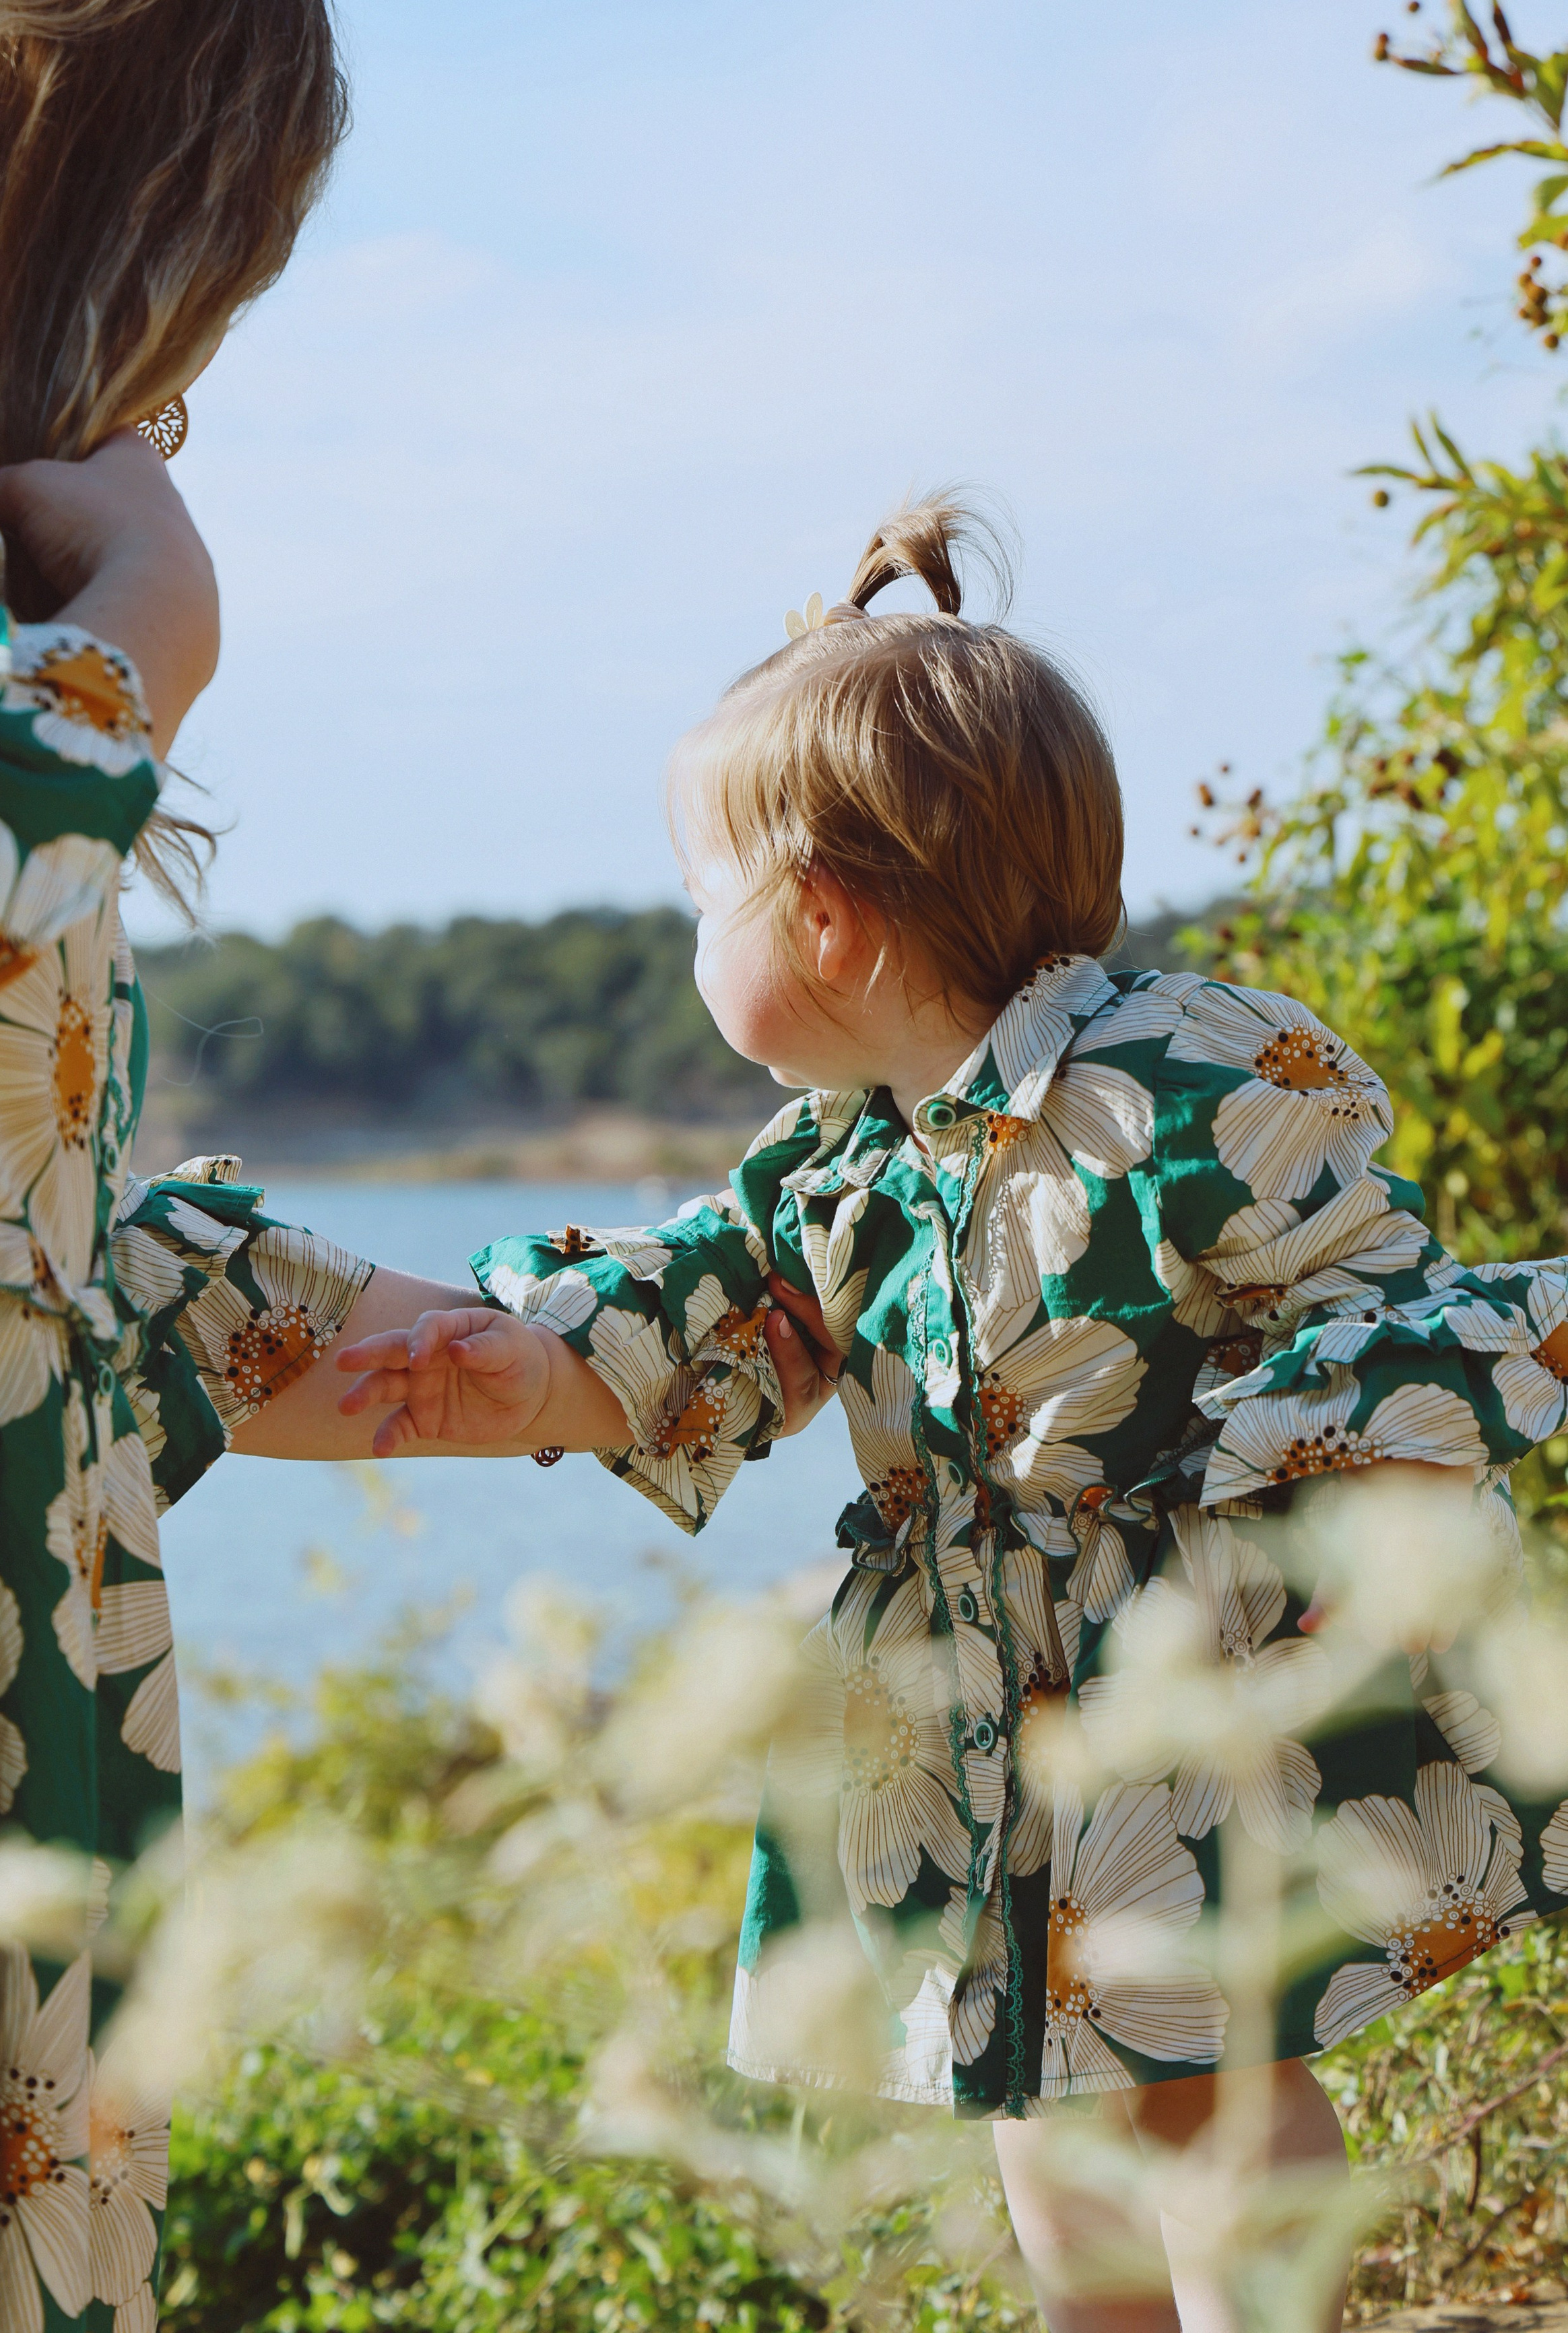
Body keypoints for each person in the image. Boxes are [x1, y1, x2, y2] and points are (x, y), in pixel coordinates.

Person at [338, 496, 1568, 2333]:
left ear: (823, 919)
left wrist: (1328, 1503)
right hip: (972, 1690)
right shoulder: (837, 1159)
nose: (694, 939)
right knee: (1030, 2092)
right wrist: (536, 1363)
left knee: (1206, 2076)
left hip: (1176, 1663)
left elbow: (1371, 1292)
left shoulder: (1167, 1078)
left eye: (703, 902)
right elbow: (706, 1308)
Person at [0, 0, 608, 2331]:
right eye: (224, 279)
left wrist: (474, 1348)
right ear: (127, 189)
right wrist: (127, 659)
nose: (189, 376)